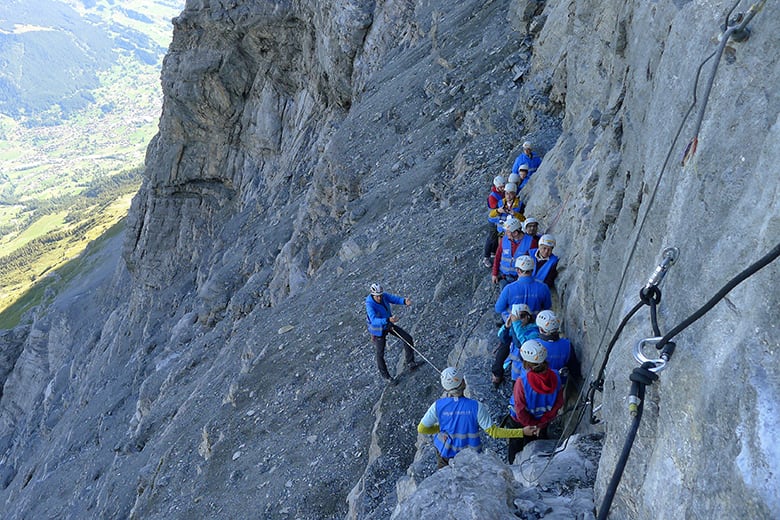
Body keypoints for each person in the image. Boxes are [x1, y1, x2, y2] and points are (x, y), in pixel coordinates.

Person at [418, 367, 535, 468]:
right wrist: (522, 432)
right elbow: (494, 432)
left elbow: (422, 428)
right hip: (470, 457)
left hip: (445, 454)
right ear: (463, 383)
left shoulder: (437, 406)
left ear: (445, 387)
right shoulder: (476, 406)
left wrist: (440, 429)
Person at [505, 340, 564, 463]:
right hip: (542, 421)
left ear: (526, 362)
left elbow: (520, 409)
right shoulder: (556, 376)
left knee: (515, 447)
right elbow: (558, 403)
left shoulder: (522, 382)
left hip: (521, 422)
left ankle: (513, 468)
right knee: (538, 449)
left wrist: (531, 425)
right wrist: (540, 424)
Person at [365, 283, 421, 385]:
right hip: (378, 330)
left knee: (407, 338)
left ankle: (410, 362)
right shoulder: (369, 304)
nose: (380, 298)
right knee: (380, 354)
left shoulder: (384, 296)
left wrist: (404, 301)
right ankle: (387, 377)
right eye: (377, 296)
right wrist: (388, 320)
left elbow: (393, 299)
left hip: (388, 323)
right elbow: (373, 320)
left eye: (380, 295)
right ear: (373, 295)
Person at [491, 303, 540, 387]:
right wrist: (506, 327)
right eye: (516, 317)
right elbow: (503, 338)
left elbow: (522, 344)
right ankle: (497, 374)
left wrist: (516, 324)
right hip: (516, 363)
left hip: (525, 363)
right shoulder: (515, 326)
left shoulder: (534, 330)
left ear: (528, 316)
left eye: (522, 316)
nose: (519, 320)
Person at [494, 255, 552, 322]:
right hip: (534, 325)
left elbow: (498, 308)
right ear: (532, 270)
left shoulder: (509, 289)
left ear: (518, 270)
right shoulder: (543, 288)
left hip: (514, 325)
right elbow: (547, 307)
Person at [535, 310, 580, 388]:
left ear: (541, 329)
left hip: (539, 385)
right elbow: (574, 369)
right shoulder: (567, 345)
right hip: (559, 385)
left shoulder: (534, 345)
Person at [491, 216, 525, 290]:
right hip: (504, 276)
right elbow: (498, 256)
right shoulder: (505, 239)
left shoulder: (530, 242)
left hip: (520, 279)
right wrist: (494, 273)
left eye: (508, 232)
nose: (506, 234)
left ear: (515, 233)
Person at [483, 175, 506, 268]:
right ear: (496, 187)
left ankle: (493, 252)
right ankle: (486, 257)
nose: (503, 188)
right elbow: (494, 207)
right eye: (501, 187)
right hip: (493, 220)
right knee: (492, 238)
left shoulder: (502, 193)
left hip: (500, 220)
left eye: (503, 186)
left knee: (497, 237)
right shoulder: (492, 197)